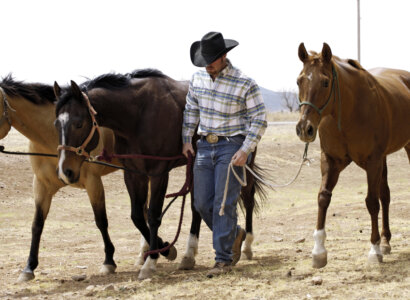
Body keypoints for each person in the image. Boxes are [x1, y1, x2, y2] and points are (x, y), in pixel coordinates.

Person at [182, 31, 267, 278]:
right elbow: (190, 111)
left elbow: (259, 118)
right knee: (200, 203)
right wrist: (187, 140)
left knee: (223, 203)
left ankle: (223, 260)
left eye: (211, 59)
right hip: (204, 147)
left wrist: (245, 150)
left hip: (231, 146)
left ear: (224, 56)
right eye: (203, 60)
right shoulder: (197, 79)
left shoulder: (244, 82)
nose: (207, 64)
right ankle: (235, 234)